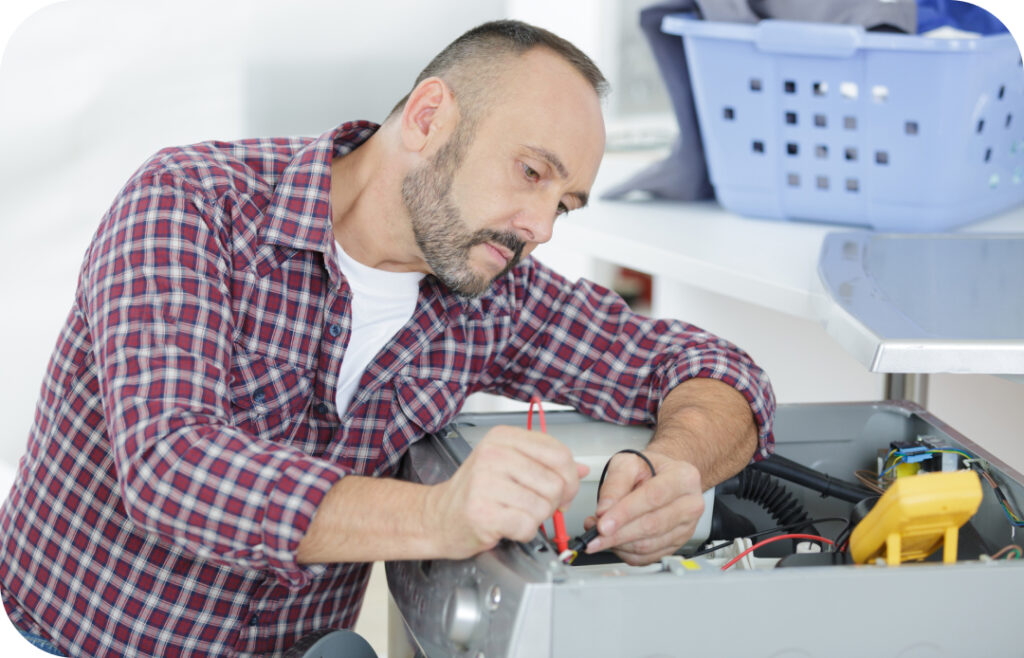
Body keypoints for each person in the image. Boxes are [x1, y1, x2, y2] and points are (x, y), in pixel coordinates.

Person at [0, 18, 774, 657]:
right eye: (532, 173)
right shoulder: (190, 203)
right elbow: (172, 468)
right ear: (429, 118)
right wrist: (440, 515)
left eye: (564, 204)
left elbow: (719, 371)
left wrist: (677, 466)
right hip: (73, 638)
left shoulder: (490, 289)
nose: (540, 228)